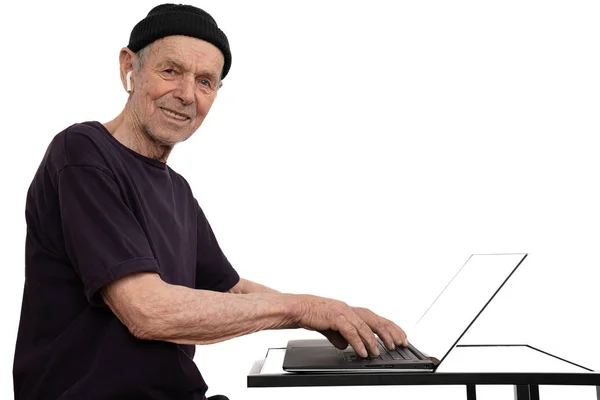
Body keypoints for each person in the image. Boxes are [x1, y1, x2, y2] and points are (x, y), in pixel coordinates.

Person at [13, 4, 409, 400]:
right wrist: (300, 308)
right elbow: (146, 311)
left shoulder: (177, 191)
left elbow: (230, 290)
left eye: (205, 82)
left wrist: (333, 314)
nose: (186, 94)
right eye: (170, 71)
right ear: (128, 68)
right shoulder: (82, 154)